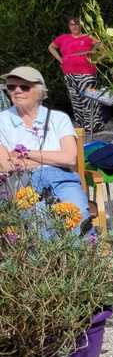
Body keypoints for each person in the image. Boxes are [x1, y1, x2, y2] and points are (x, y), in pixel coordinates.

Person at [0, 66, 91, 232]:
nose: (17, 91)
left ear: (40, 91)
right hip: (23, 184)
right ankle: (50, 259)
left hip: (62, 180)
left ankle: (75, 257)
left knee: (78, 214)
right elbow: (7, 165)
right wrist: (53, 158)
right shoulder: (2, 120)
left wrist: (26, 153)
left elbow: (70, 158)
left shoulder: (59, 119)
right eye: (11, 87)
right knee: (40, 220)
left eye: (24, 87)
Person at [48, 16, 103, 133]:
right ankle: (80, 125)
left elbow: (103, 48)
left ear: (81, 25)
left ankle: (94, 125)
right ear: (69, 26)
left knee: (89, 98)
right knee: (75, 100)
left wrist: (97, 59)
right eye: (72, 24)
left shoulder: (88, 37)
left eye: (77, 24)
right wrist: (60, 59)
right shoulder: (63, 38)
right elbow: (51, 47)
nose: (75, 27)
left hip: (87, 73)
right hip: (69, 73)